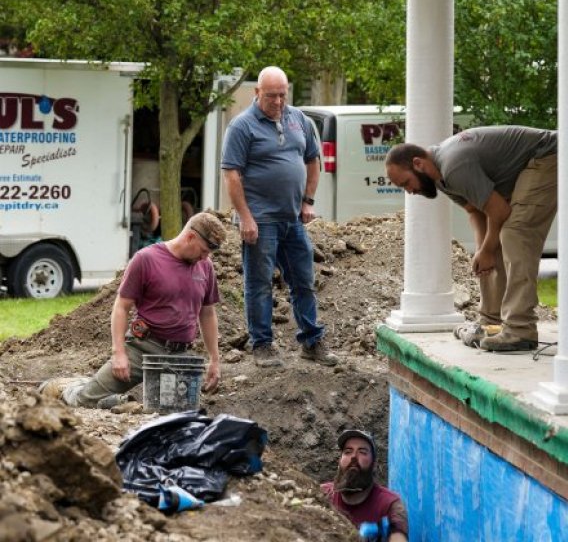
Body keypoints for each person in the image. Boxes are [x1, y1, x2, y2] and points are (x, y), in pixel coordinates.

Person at [385, 125, 557, 352]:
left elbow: (499, 212)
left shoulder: (454, 166)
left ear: (418, 164)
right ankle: (491, 323)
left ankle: (520, 330)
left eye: (406, 183)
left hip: (548, 156)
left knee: (515, 233)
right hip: (531, 162)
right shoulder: (440, 177)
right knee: (491, 246)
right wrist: (482, 250)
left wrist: (486, 250)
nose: (409, 191)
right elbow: (475, 211)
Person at [39, 211, 226, 408]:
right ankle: (67, 387)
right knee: (85, 401)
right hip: (142, 349)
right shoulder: (146, 259)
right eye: (204, 250)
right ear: (190, 237)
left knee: (178, 414)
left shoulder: (205, 266)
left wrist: (214, 359)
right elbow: (121, 307)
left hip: (179, 356)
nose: (205, 257)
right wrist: (119, 353)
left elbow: (207, 313)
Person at [220, 65, 337, 368]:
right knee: (259, 283)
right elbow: (231, 176)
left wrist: (308, 200)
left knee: (303, 279)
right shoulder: (241, 127)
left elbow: (312, 161)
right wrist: (245, 217)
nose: (277, 102)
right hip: (260, 220)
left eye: (282, 95)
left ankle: (312, 341)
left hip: (293, 219)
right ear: (257, 93)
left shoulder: (299, 119)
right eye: (271, 96)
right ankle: (262, 345)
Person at [322, 429, 409, 541]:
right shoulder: (322, 495)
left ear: (374, 464)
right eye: (348, 452)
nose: (353, 457)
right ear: (339, 461)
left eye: (362, 452)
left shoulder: (390, 505)